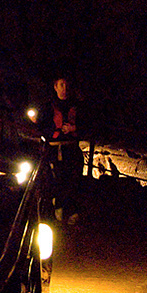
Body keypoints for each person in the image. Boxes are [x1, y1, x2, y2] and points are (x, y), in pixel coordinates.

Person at [37, 76, 84, 224]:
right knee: (57, 179)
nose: (64, 89)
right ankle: (58, 207)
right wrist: (54, 131)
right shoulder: (48, 106)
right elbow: (41, 127)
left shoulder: (77, 105)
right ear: (55, 87)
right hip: (54, 150)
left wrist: (74, 128)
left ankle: (72, 210)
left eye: (66, 85)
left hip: (71, 148)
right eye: (61, 85)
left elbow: (87, 124)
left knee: (73, 179)